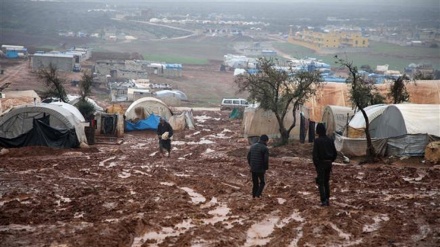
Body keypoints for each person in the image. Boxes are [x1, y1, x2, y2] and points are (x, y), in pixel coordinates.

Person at [312, 123, 337, 206]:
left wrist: (317, 165)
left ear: (318, 131)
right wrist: (330, 161)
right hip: (328, 163)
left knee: (321, 182)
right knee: (326, 182)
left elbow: (315, 155)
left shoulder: (317, 141)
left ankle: (323, 201)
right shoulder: (330, 140)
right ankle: (327, 199)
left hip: (321, 164)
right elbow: (335, 153)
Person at [247, 134, 269, 198]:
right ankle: (258, 195)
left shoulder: (252, 146)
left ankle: (254, 195)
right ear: (266, 141)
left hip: (253, 168)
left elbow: (248, 157)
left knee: (255, 183)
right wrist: (265, 168)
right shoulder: (265, 148)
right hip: (260, 168)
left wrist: (251, 165)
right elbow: (266, 160)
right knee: (262, 182)